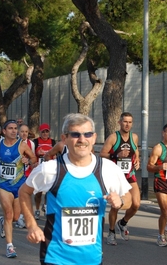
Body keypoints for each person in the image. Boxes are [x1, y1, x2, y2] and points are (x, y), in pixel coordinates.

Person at [19, 113, 132, 265]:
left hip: (92, 258)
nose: (82, 139)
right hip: (56, 257)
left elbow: (128, 199)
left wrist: (121, 201)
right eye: (75, 134)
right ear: (64, 139)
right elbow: (24, 192)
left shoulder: (108, 169)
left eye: (87, 134)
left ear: (94, 137)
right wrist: (32, 225)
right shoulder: (50, 169)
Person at [0, 119, 37, 258]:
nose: (14, 131)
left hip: (19, 186)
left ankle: (3, 222)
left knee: (15, 217)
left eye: (16, 128)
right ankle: (10, 246)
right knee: (8, 213)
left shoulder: (22, 145)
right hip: (3, 184)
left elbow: (34, 159)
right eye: (11, 128)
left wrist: (28, 161)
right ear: (4, 131)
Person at [100, 112, 140, 245]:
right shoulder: (113, 138)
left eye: (130, 122)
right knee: (116, 205)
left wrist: (137, 160)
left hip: (129, 174)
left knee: (136, 204)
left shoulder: (134, 137)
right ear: (119, 122)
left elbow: (136, 151)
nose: (127, 124)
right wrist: (117, 154)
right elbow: (102, 154)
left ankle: (122, 223)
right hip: (116, 176)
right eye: (125, 122)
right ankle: (111, 232)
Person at [33, 123, 56, 219]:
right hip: (39, 169)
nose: (45, 133)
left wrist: (53, 157)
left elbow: (56, 154)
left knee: (48, 190)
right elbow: (32, 155)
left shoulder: (53, 142)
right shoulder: (36, 142)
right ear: (40, 132)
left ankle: (46, 206)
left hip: (49, 169)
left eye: (47, 131)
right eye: (43, 131)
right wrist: (38, 154)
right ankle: (37, 209)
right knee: (38, 191)